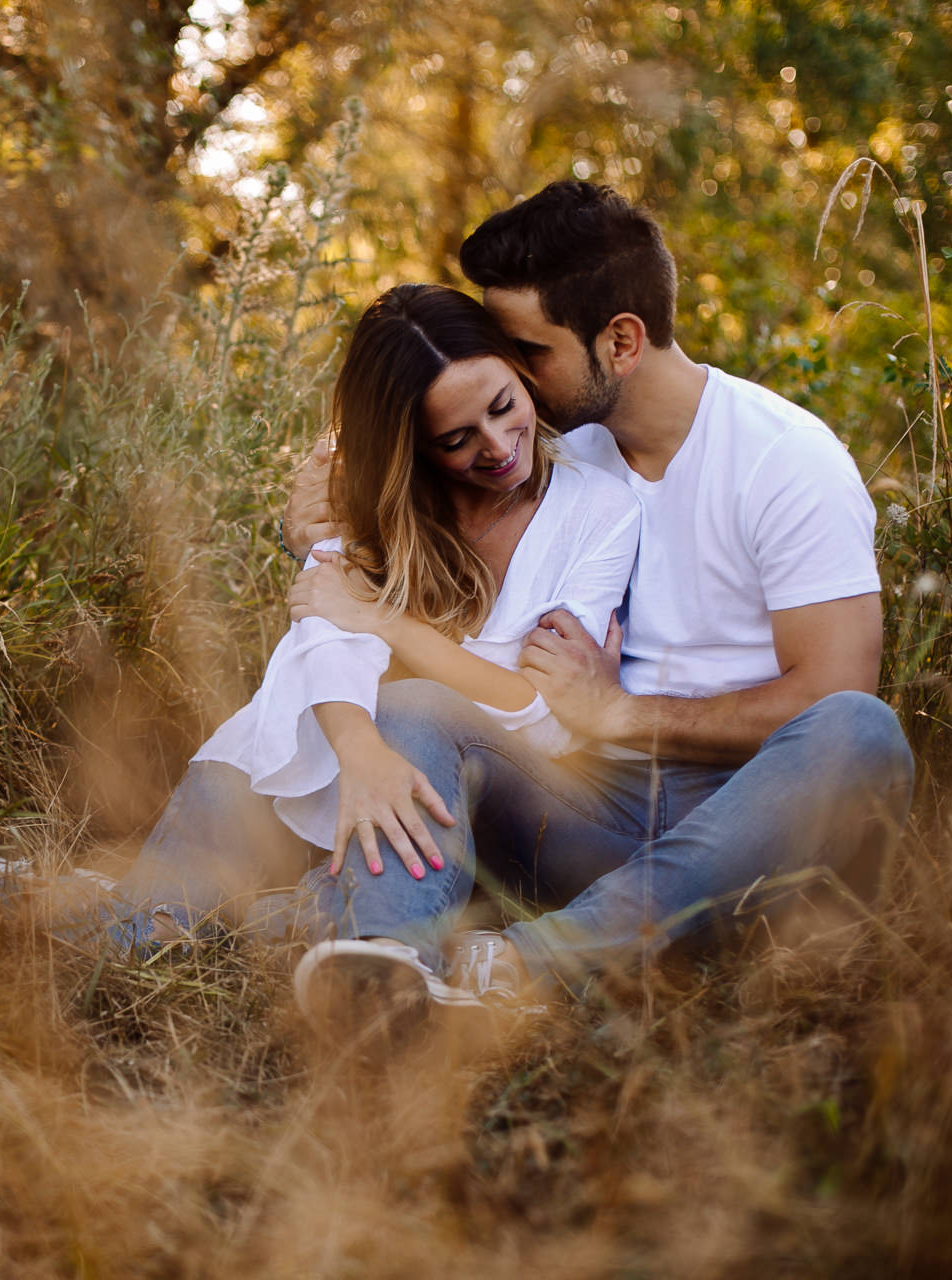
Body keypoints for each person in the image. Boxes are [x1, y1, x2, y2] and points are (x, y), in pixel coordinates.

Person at [0, 283, 641, 1034]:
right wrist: (359, 747)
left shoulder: (595, 506)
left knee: (241, 932)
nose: (500, 448)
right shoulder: (358, 498)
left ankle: (342, 947)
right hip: (288, 761)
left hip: (418, 803)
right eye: (456, 440)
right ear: (412, 444)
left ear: (519, 371)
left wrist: (386, 624)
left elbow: (539, 721)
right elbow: (327, 636)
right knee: (139, 940)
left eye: (506, 407)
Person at [282, 181, 914, 1003]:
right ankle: (387, 968)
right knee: (417, 709)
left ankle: (521, 967)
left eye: (529, 351)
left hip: (745, 822)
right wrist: (319, 540)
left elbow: (833, 690)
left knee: (860, 731)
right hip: (584, 807)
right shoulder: (564, 452)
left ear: (620, 340)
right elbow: (420, 529)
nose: (513, 375)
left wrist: (624, 714)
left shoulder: (786, 461)